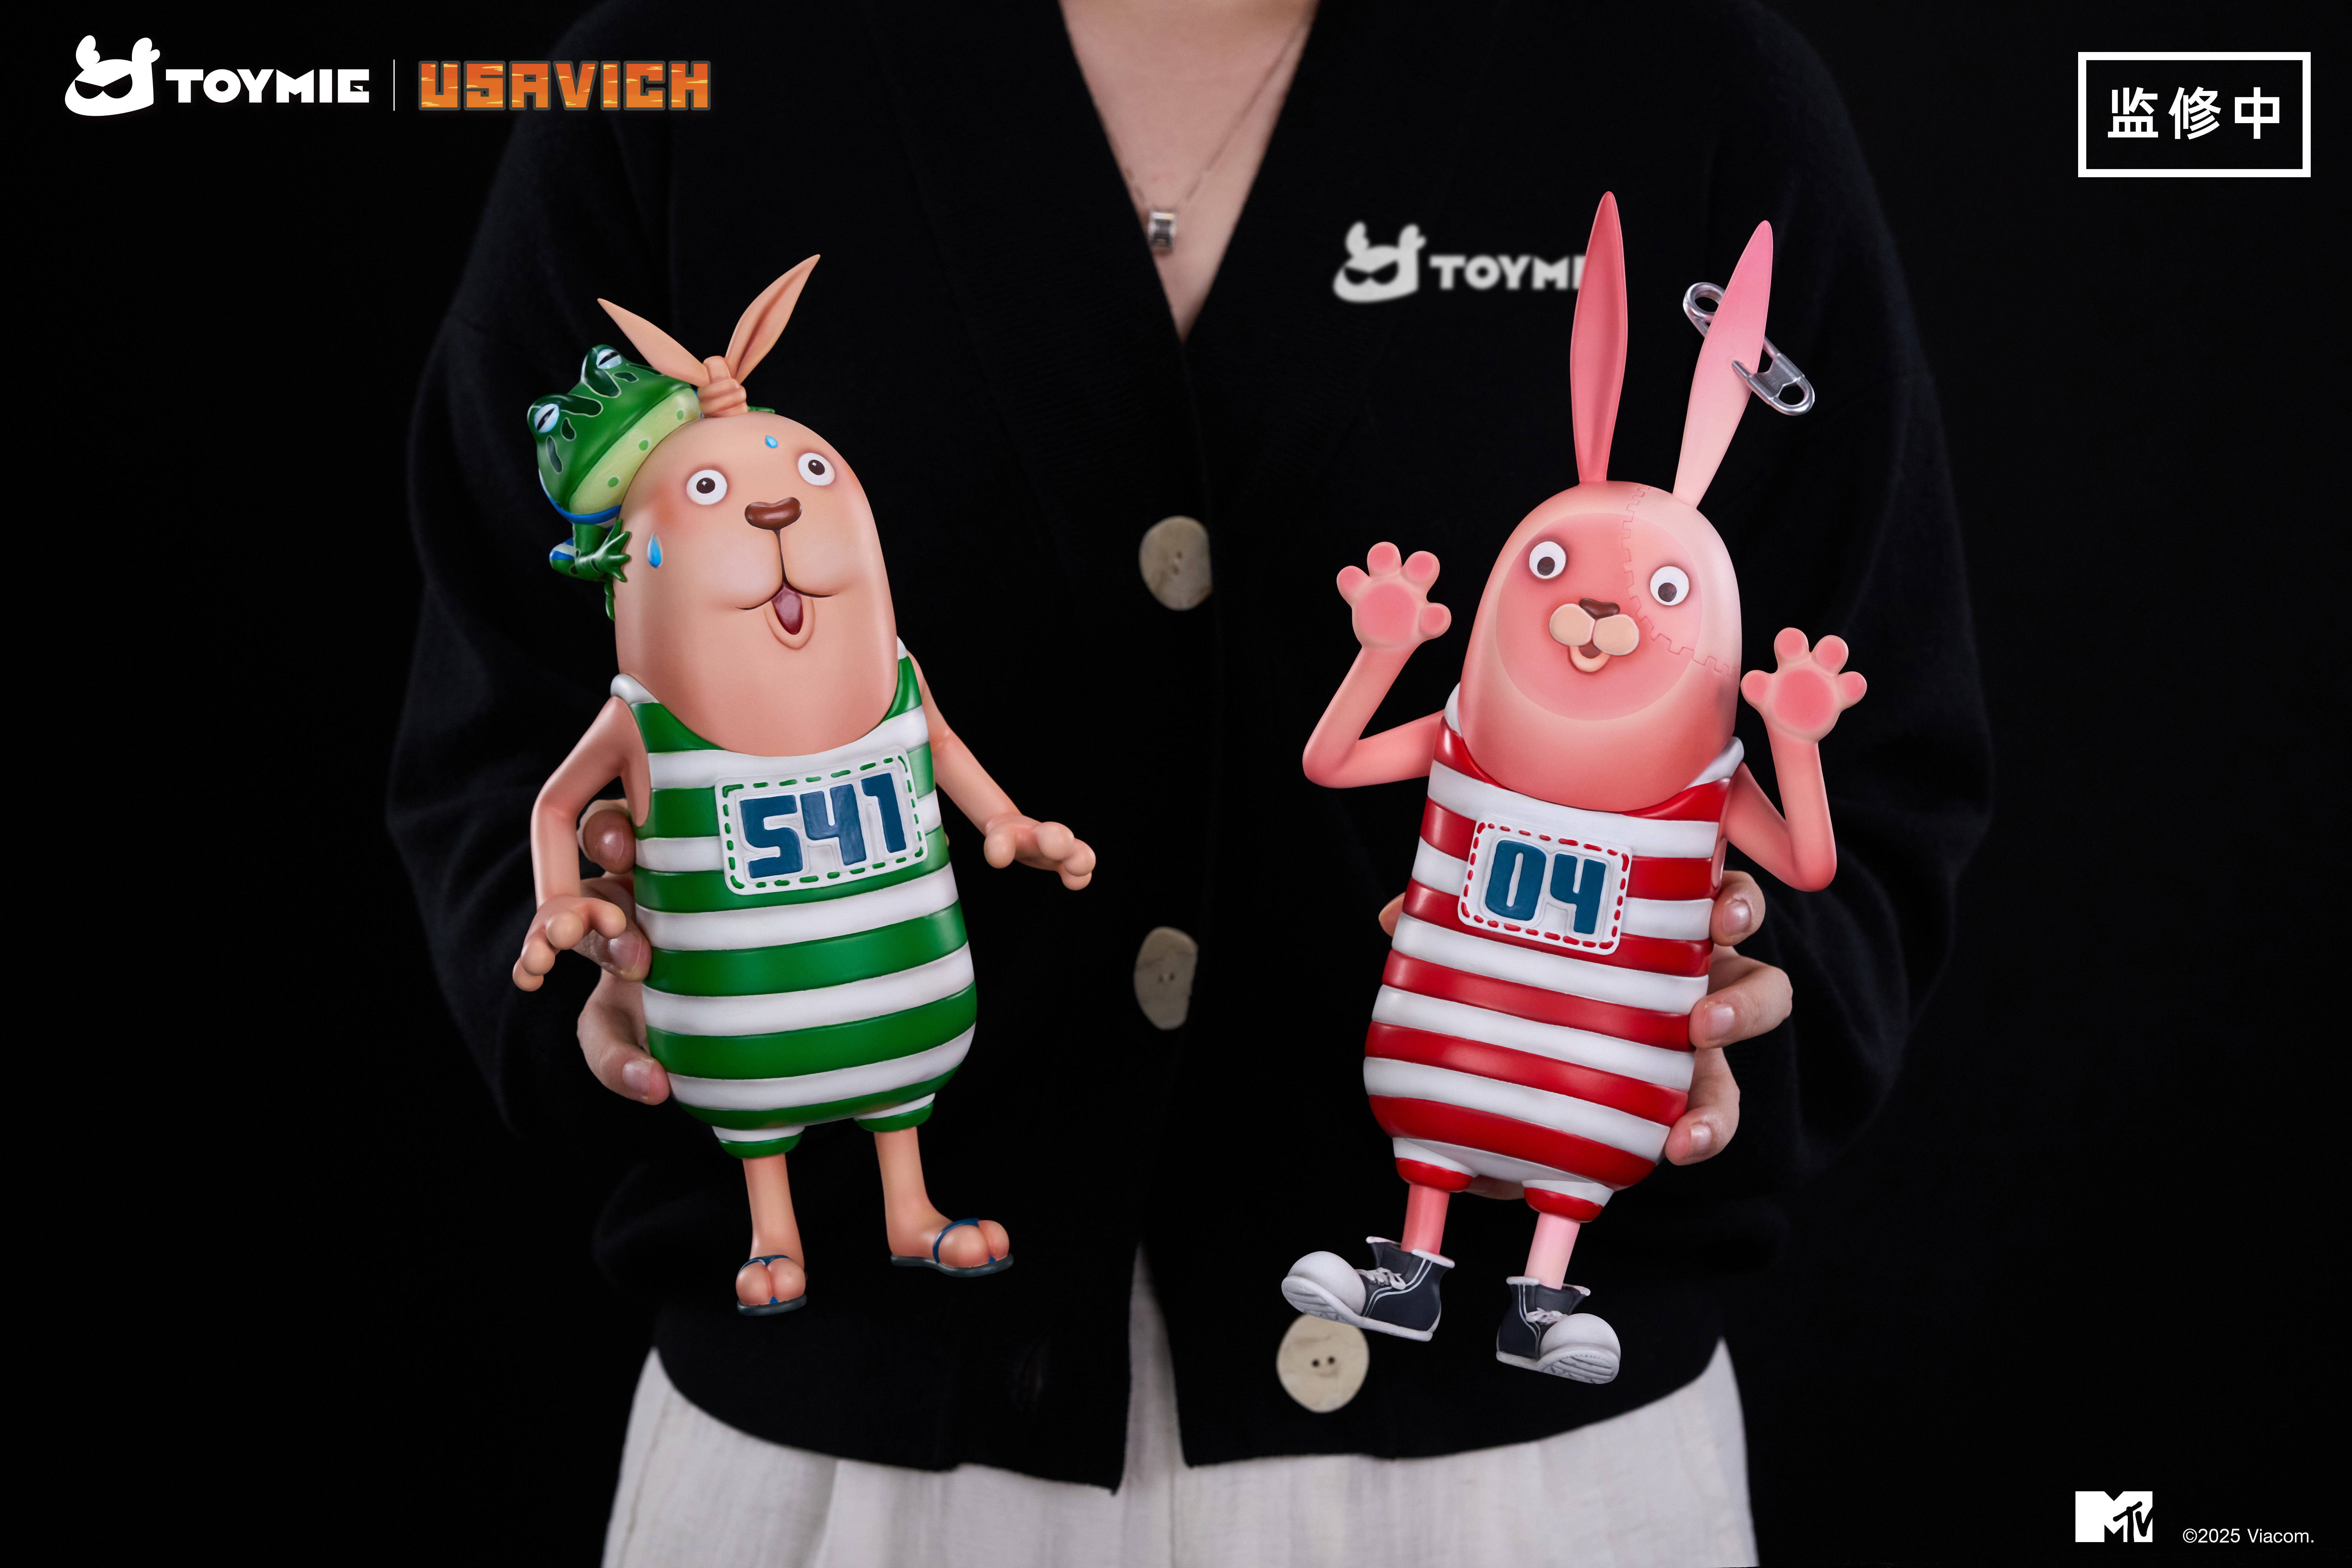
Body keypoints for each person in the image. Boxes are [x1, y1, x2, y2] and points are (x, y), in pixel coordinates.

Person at [390, 1, 1991, 1562]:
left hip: (1521, 1491)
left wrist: (1729, 1024)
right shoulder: (671, 88)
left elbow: (1880, 786)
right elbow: (498, 738)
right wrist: (594, 976)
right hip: (841, 1480)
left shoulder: (1695, 89)